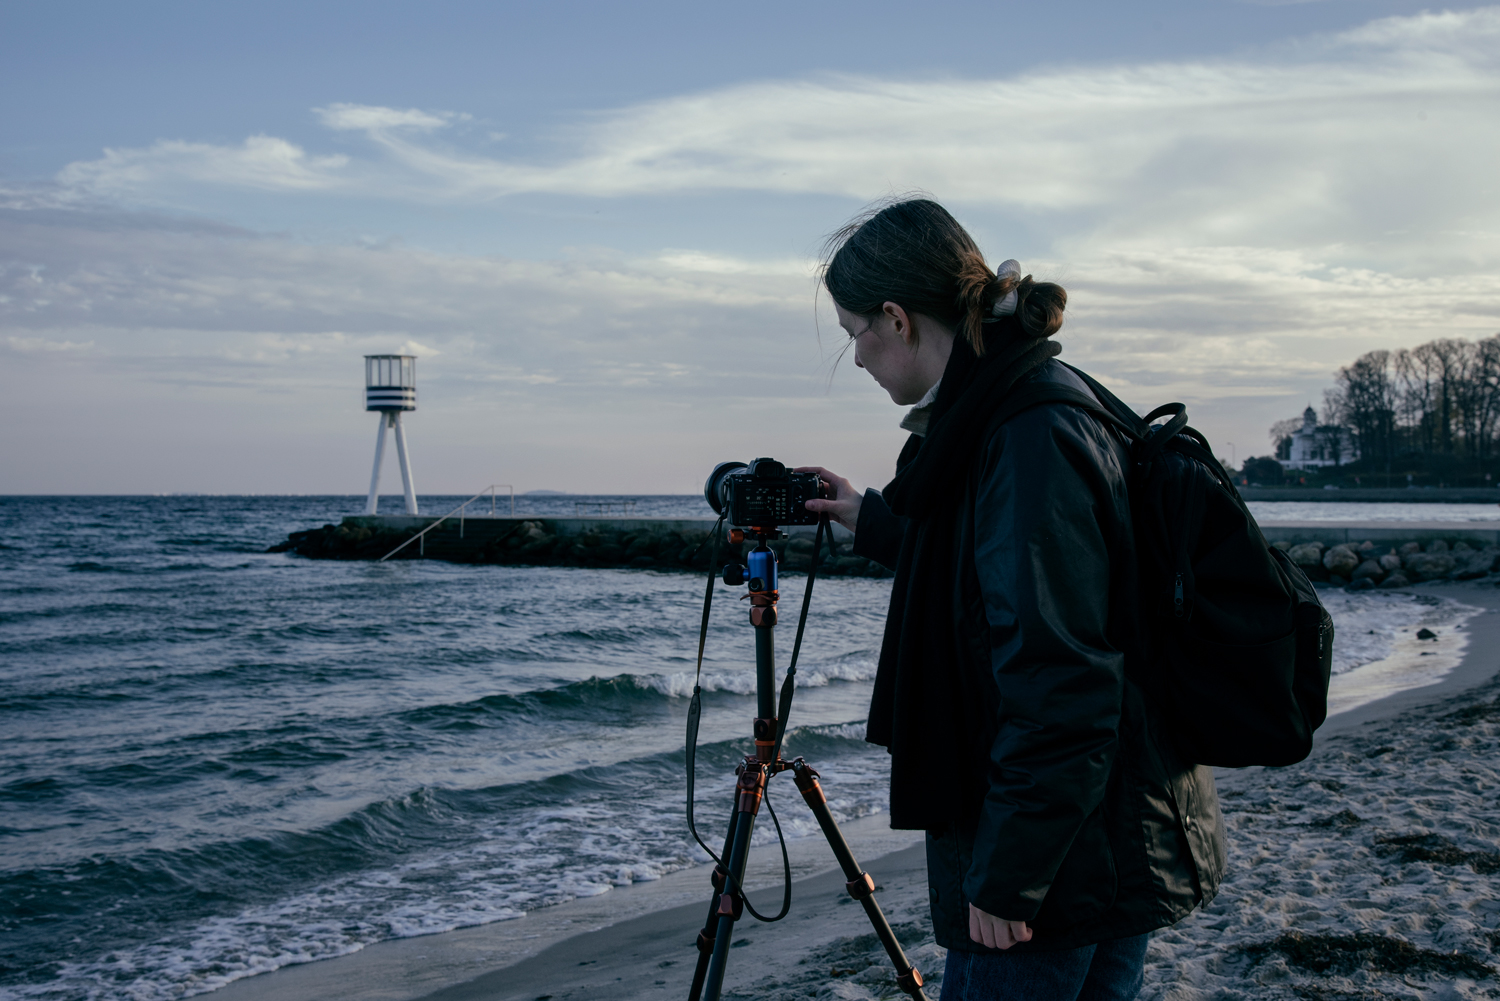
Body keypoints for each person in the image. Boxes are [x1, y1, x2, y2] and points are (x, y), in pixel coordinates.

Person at [799, 199, 1225, 1001]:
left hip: (1064, 862)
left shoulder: (1023, 432)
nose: (856, 358)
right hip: (1098, 831)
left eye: (855, 332)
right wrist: (872, 519)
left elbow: (1062, 678)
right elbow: (986, 564)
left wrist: (1008, 878)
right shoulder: (1014, 398)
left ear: (897, 318)